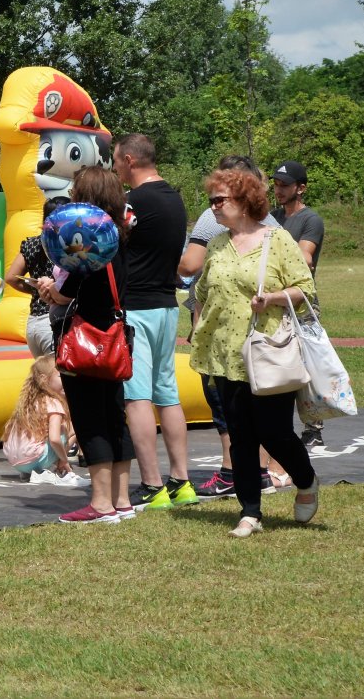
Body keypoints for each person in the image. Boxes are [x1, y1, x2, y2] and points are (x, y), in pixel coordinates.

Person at [189, 168, 320, 537]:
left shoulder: (277, 240)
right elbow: (201, 294)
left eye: (219, 200)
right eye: (211, 201)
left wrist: (273, 298)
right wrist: (198, 328)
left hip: (268, 352)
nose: (213, 207)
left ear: (244, 201)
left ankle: (306, 480)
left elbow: (304, 288)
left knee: (274, 432)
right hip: (225, 355)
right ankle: (250, 512)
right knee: (240, 435)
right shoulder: (217, 244)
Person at [180, 156, 280, 498]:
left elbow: (190, 266)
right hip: (264, 333)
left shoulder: (215, 220)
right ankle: (260, 471)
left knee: (225, 401)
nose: (215, 204)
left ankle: (230, 471)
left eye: (219, 196)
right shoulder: (272, 225)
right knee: (257, 401)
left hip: (227, 330)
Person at [40, 166, 135, 524]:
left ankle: (100, 504)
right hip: (114, 337)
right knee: (115, 415)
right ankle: (121, 500)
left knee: (90, 417)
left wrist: (50, 290)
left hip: (86, 340)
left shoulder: (88, 241)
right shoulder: (120, 237)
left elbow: (66, 294)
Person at [113, 133, 195, 508]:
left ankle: (152, 484)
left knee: (136, 397)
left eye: (116, 160)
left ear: (130, 160)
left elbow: (110, 244)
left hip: (137, 308)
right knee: (168, 394)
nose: (115, 167)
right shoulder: (174, 199)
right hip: (166, 305)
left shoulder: (134, 201)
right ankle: (182, 481)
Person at [270, 161, 326, 448]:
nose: (278, 189)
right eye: (276, 184)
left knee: (306, 364)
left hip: (302, 301)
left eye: (285, 185)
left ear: (301, 188)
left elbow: (305, 258)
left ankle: (313, 428)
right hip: (274, 299)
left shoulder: (310, 220)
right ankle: (277, 426)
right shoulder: (272, 216)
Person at [5, 196, 72, 359]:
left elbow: (11, 278)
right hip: (54, 321)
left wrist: (36, 290)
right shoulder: (65, 246)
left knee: (42, 374)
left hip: (33, 324)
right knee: (58, 373)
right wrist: (50, 290)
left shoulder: (31, 244)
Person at [1, 357, 80, 488]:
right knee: (74, 428)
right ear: (44, 379)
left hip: (17, 462)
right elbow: (54, 439)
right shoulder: (53, 403)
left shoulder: (29, 401)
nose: (66, 380)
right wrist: (65, 460)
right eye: (61, 376)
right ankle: (58, 466)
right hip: (35, 460)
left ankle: (30, 472)